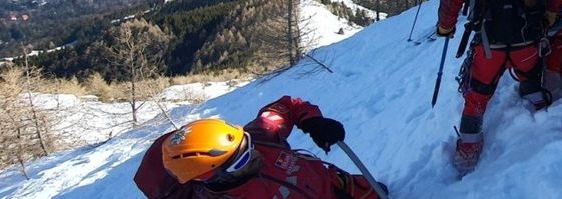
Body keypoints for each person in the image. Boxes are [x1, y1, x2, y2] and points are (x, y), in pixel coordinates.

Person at [435, 0, 560, 174]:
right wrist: (550, 14)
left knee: (477, 95)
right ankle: (545, 119)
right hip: (526, 40)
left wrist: (445, 26)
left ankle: (468, 149)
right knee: (530, 77)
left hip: (489, 42)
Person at [134, 95, 385, 198]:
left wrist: (312, 121)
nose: (254, 154)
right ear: (210, 178)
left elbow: (285, 107)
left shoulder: (260, 137)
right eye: (242, 160)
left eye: (247, 144)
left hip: (346, 187)